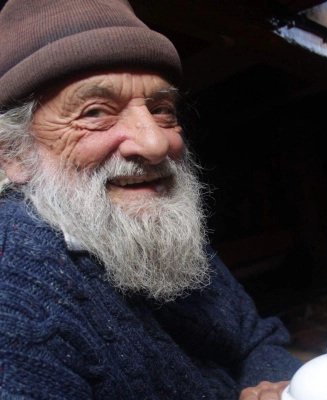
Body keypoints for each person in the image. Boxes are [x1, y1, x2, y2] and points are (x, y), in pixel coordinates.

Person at [0, 0, 302, 398]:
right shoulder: (16, 293)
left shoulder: (145, 222)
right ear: (14, 155)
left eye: (162, 110)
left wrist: (279, 388)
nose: (156, 143)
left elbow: (259, 339)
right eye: (95, 112)